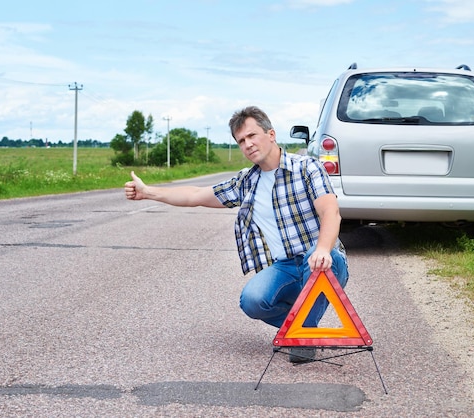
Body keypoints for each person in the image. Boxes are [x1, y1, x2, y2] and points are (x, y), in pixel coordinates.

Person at [124, 106, 349, 362]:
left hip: (323, 259)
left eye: (252, 135)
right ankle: (305, 330)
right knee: (252, 301)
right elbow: (196, 195)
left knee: (319, 260)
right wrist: (148, 192)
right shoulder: (246, 181)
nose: (248, 144)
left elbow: (331, 212)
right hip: (285, 267)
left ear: (271, 134)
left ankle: (303, 335)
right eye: (241, 141)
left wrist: (322, 249)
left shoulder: (306, 168)